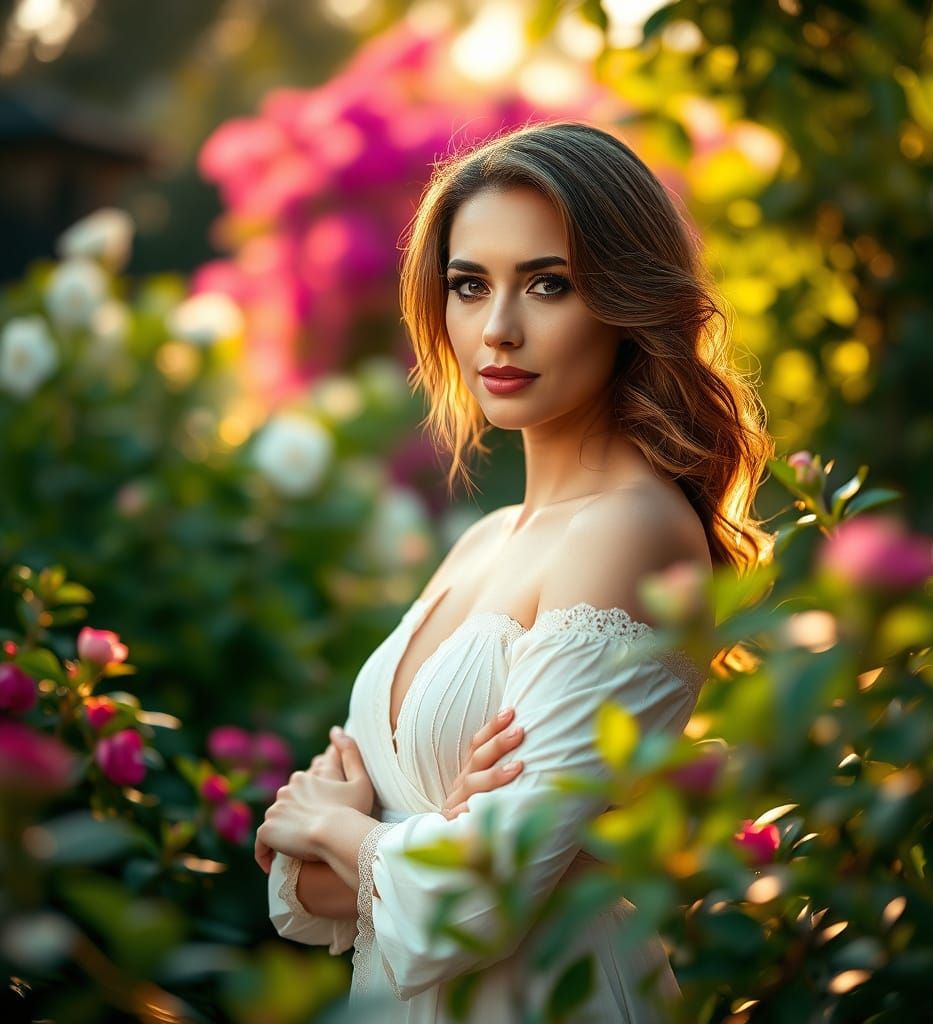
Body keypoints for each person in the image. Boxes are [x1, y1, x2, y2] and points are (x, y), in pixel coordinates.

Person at [255, 119, 773, 1022]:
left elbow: (477, 900)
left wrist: (337, 828)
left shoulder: (634, 533)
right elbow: (306, 891)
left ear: (624, 299)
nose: (497, 329)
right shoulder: (484, 539)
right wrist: (419, 844)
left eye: (548, 284)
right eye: (468, 285)